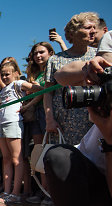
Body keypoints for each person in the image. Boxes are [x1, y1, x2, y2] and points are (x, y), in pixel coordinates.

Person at [44, 32, 112, 206]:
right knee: (58, 156)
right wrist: (89, 69)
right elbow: (61, 75)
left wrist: (109, 137)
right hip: (93, 170)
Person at [0, 60, 43, 204]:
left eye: (7, 74)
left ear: (15, 74)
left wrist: (28, 105)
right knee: (6, 159)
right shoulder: (4, 87)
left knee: (16, 159)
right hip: (1, 123)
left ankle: (16, 193)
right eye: (3, 74)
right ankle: (7, 192)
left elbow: (40, 89)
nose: (5, 77)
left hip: (14, 122)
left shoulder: (18, 84)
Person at [44, 12, 99, 146]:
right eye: (88, 27)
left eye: (94, 27)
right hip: (63, 123)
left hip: (94, 122)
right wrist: (49, 119)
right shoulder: (55, 60)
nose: (93, 31)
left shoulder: (99, 55)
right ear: (73, 32)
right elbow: (48, 93)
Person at [23, 42, 56, 206]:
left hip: (49, 113)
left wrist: (27, 105)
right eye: (35, 53)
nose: (38, 56)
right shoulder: (35, 74)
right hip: (36, 114)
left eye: (41, 52)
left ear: (50, 53)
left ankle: (53, 194)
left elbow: (43, 92)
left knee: (50, 152)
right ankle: (43, 192)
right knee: (39, 153)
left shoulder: (55, 67)